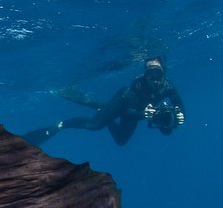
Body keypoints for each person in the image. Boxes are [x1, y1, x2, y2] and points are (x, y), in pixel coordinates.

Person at [24, 57, 185, 146]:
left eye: (158, 74)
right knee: (94, 125)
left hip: (136, 113)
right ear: (145, 74)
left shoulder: (167, 86)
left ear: (164, 74)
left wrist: (180, 115)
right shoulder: (138, 84)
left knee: (121, 141)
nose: (154, 79)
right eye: (150, 74)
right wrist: (144, 114)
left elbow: (178, 105)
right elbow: (127, 111)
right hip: (123, 103)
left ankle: (102, 109)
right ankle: (62, 125)